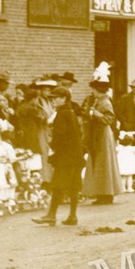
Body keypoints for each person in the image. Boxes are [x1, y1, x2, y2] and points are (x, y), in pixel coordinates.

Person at [34, 87, 85, 226]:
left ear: (64, 98)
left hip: (65, 157)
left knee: (57, 185)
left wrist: (53, 146)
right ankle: (73, 216)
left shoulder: (62, 114)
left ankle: (51, 215)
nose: (53, 100)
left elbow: (60, 136)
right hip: (76, 155)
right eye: (52, 98)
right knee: (74, 186)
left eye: (56, 98)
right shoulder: (71, 112)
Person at [83, 64, 122, 205]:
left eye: (93, 89)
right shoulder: (98, 100)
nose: (92, 91)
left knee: (103, 163)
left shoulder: (105, 101)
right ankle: (102, 192)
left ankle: (106, 193)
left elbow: (109, 119)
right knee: (100, 163)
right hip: (98, 134)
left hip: (103, 135)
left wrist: (95, 114)